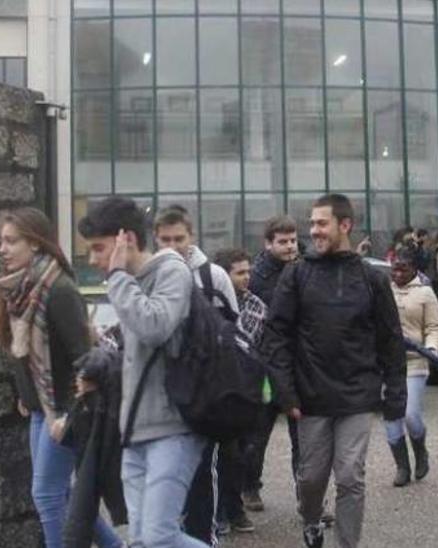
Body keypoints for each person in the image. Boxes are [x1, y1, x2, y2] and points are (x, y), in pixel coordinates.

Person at [260, 194, 407, 548]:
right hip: (310, 398)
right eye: (312, 224)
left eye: (321, 223)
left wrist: (395, 393)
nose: (314, 231)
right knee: (311, 478)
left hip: (357, 396)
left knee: (350, 477)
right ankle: (311, 520)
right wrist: (286, 392)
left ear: (345, 226)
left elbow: (391, 340)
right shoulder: (297, 274)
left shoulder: (371, 279)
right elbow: (275, 334)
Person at [0, 208, 122, 548]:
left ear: (35, 243)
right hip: (38, 409)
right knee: (60, 495)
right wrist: (25, 393)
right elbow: (24, 353)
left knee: (47, 496)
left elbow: (83, 358)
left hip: (62, 408)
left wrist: (68, 412)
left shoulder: (58, 289)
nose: (2, 249)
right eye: (1, 241)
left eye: (10, 241)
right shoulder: (18, 288)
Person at [77, 196, 207, 548]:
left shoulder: (170, 271)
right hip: (135, 431)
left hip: (173, 428)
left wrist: (118, 277)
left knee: (159, 537)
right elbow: (136, 355)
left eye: (99, 248)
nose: (93, 259)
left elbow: (155, 326)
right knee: (139, 540)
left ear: (126, 241)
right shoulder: (130, 282)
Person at [150, 206, 250, 541]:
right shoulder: (149, 276)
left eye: (179, 238)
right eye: (166, 239)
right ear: (155, 239)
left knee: (201, 475)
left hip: (204, 393)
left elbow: (234, 334)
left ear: (191, 237)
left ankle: (204, 537)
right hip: (163, 395)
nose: (173, 245)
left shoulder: (213, 277)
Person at [243, 215, 301, 513]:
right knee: (256, 434)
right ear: (268, 244)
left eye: (293, 240)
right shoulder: (254, 276)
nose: (290, 246)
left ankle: (308, 497)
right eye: (283, 241)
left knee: (302, 437)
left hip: (297, 366)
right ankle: (249, 487)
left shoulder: (304, 269)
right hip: (264, 367)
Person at [385, 254, 438, 487]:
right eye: (395, 270)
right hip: (388, 365)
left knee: (410, 415)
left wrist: (431, 348)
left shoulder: (425, 293)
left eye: (404, 270)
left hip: (415, 362)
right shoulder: (384, 291)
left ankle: (420, 451)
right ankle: (402, 466)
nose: (398, 274)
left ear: (415, 270)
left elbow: (434, 327)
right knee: (392, 418)